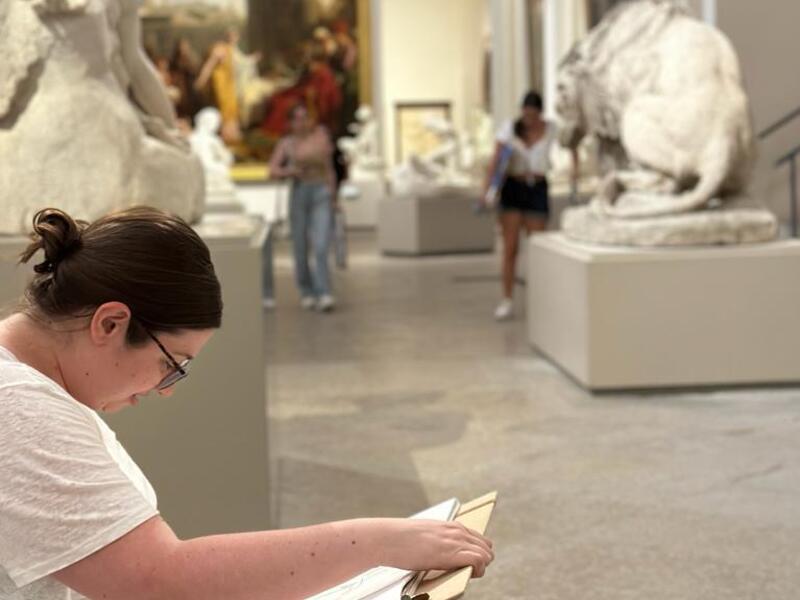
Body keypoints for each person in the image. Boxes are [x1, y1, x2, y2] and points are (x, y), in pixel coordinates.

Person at [0, 207, 494, 599]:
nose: (166, 388)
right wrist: (379, 543)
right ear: (110, 323)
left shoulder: (33, 390)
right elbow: (158, 579)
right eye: (171, 362)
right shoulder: (21, 408)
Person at [482, 91, 566, 321]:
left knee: (538, 247)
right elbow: (495, 160)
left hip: (537, 188)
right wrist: (487, 189)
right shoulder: (510, 128)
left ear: (540, 113)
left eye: (533, 114)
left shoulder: (551, 129)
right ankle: (507, 300)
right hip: (513, 187)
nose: (528, 118)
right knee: (510, 248)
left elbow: (570, 142)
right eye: (525, 114)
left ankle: (541, 299)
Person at [269, 104, 339, 312]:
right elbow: (272, 170)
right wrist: (289, 171)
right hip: (299, 193)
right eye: (297, 118)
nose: (302, 122)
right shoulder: (286, 143)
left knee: (320, 244)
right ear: (291, 123)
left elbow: (329, 169)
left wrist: (333, 196)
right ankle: (306, 291)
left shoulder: (321, 137)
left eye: (305, 117)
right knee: (300, 245)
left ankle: (324, 291)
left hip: (320, 193)